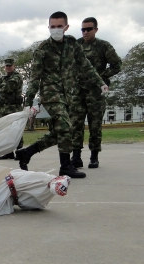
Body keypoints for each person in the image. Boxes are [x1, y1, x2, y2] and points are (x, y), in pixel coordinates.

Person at [15, 11, 108, 178]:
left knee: (64, 131)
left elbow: (85, 65)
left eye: (59, 26)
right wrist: (29, 100)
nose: (56, 29)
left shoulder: (72, 44)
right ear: (48, 27)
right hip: (51, 94)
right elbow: (35, 77)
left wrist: (100, 82)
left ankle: (27, 153)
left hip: (69, 94)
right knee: (65, 126)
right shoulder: (43, 49)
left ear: (66, 27)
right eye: (52, 26)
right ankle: (65, 166)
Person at [71, 17, 122, 169]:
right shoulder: (76, 45)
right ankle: (76, 156)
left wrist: (102, 77)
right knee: (76, 124)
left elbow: (117, 65)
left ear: (96, 29)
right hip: (78, 91)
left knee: (95, 125)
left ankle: (94, 157)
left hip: (96, 93)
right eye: (83, 29)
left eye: (88, 29)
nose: (85, 32)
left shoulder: (103, 46)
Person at [0, 58, 24, 160]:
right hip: (4, 108)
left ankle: (19, 152)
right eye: (7, 66)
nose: (8, 68)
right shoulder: (3, 78)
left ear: (13, 66)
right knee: (6, 131)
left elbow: (9, 87)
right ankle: (8, 152)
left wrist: (1, 85)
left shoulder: (17, 76)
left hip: (14, 107)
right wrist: (2, 85)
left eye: (10, 66)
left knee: (16, 129)